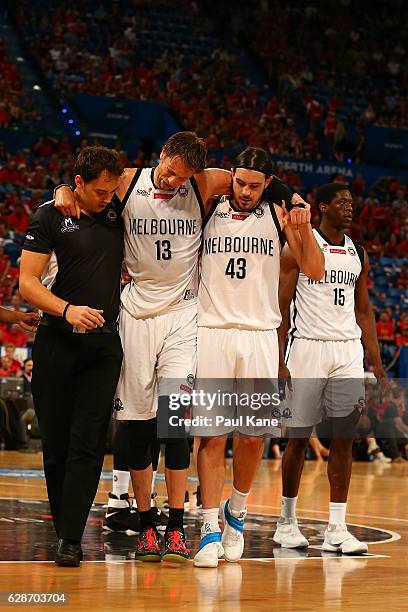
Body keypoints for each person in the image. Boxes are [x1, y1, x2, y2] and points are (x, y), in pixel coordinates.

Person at [55, 132, 304, 563]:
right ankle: (146, 522)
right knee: (135, 423)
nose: (172, 181)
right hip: (135, 313)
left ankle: (175, 524)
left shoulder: (205, 184)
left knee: (177, 421)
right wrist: (60, 188)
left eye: (182, 177)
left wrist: (296, 200)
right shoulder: (127, 180)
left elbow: (264, 182)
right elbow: (83, 187)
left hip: (185, 316)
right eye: (169, 171)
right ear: (161, 156)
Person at [191, 147, 324, 568]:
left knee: (250, 437)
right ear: (232, 177)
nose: (245, 191)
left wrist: (301, 227)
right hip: (211, 330)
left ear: (268, 183)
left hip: (260, 336)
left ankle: (238, 513)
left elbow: (316, 270)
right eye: (240, 182)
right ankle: (209, 526)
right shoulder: (209, 203)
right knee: (211, 436)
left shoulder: (279, 215)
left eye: (255, 185)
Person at [19, 146, 125, 567]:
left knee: (89, 442)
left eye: (112, 191)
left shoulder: (118, 211)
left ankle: (71, 537)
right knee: (57, 445)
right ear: (78, 183)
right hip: (56, 340)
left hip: (104, 346)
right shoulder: (49, 216)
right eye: (99, 190)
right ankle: (65, 526)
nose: (107, 198)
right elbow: (27, 283)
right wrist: (65, 309)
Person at [274, 183, 387, 554]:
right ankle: (286, 522)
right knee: (298, 438)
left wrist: (377, 363)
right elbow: (281, 306)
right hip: (307, 348)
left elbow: (364, 310)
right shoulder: (300, 246)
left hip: (346, 352)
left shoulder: (358, 252)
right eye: (342, 203)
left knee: (344, 440)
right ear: (322, 207)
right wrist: (278, 359)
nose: (350, 208)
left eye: (352, 203)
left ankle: (336, 528)